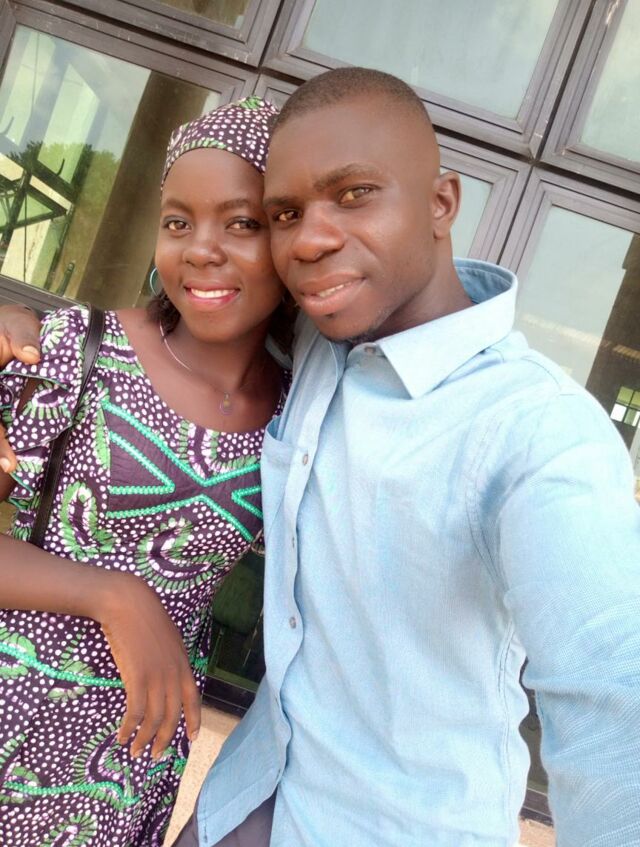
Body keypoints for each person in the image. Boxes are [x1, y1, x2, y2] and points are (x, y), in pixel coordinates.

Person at [3, 67, 640, 847]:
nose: (310, 238)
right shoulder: (314, 351)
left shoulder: (536, 430)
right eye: (284, 214)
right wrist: (22, 326)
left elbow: (614, 691)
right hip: (236, 797)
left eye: (355, 194)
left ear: (442, 203)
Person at [0, 96, 291, 846]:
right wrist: (113, 595)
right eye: (177, 221)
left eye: (241, 223)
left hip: (128, 765)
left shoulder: (297, 416)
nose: (200, 249)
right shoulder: (76, 350)